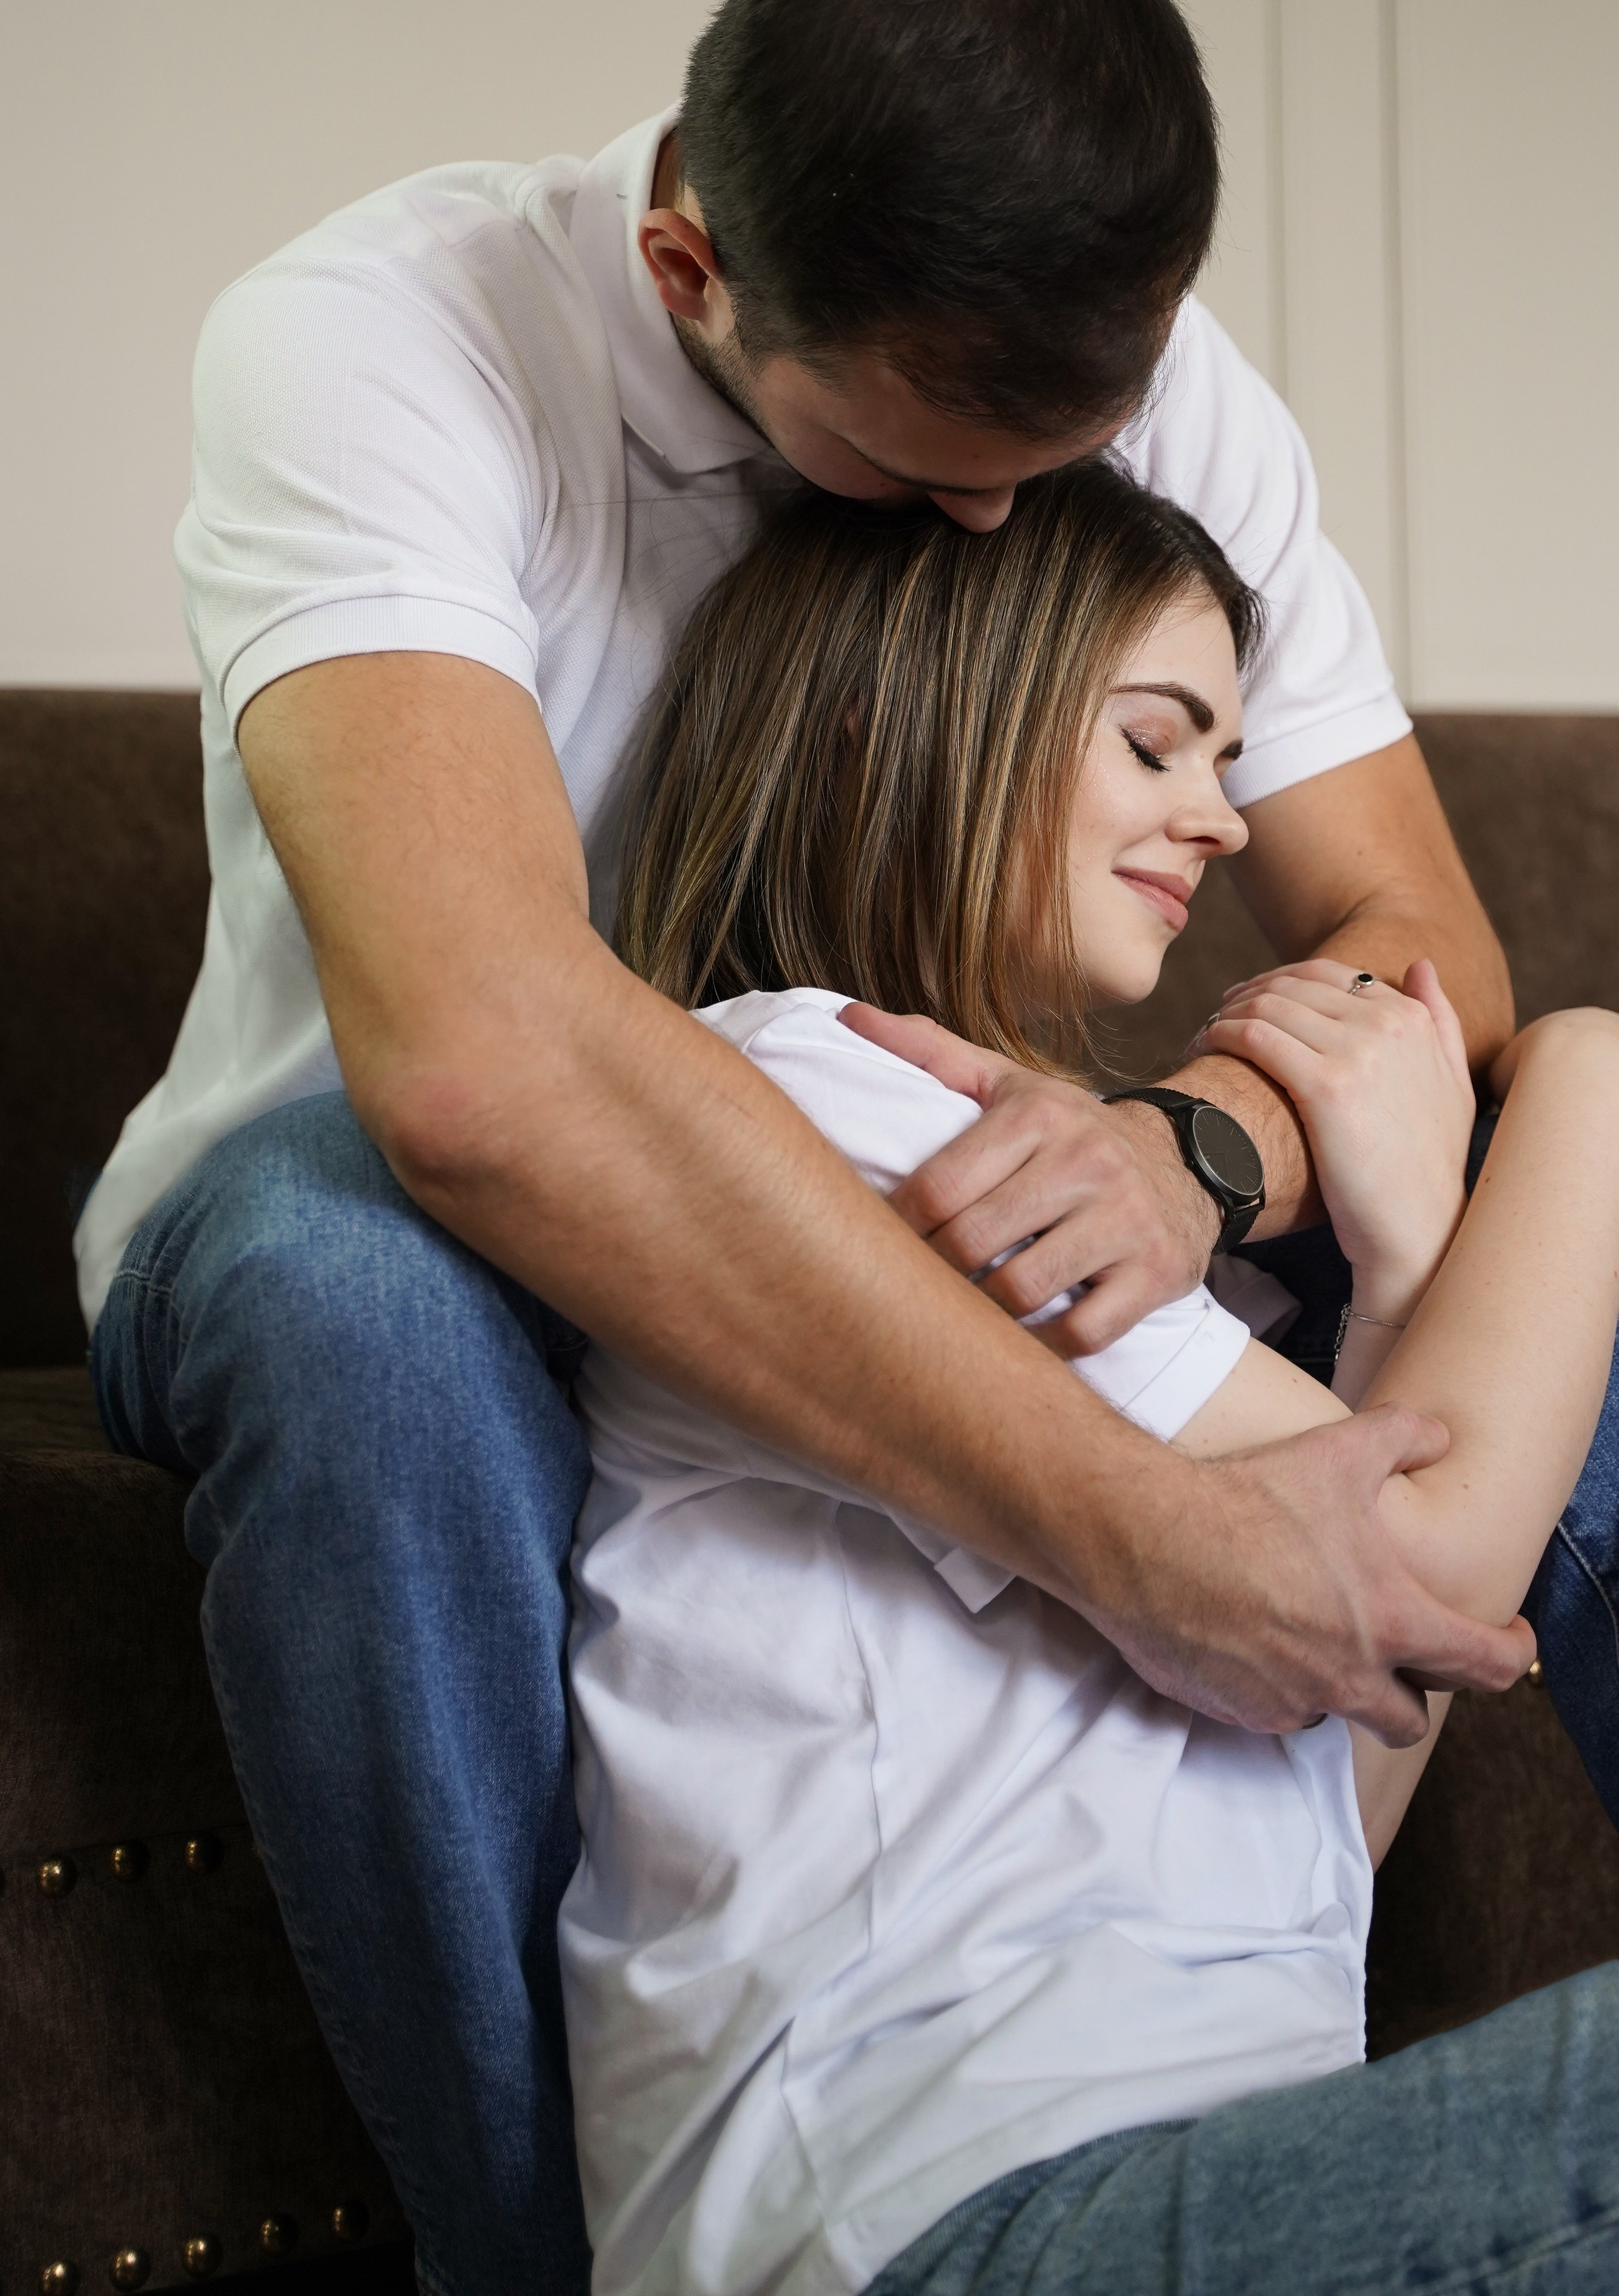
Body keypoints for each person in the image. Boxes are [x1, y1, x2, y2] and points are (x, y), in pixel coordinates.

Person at [83, 0, 1526, 2296]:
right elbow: (481, 1064)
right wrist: (1138, 1533)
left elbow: (1422, 948)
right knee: (352, 1281)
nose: (996, 525)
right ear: (687, 271)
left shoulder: (1143, 377)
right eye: (927, 462)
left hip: (898, 1135)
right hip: (394, 1201)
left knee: (1530, 1238)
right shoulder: (377, 338)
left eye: (1057, 454)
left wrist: (1202, 1149)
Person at [563, 462, 1619, 2296]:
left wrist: (1390, 1280)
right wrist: (1594, 1068)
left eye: (1224, 759)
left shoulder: (1010, 1164)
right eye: (1157, 742)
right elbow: (1433, 1563)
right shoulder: (786, 1099)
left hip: (1207, 2164)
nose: (1216, 823)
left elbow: (1348, 1724)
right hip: (959, 2229)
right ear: (889, 725)